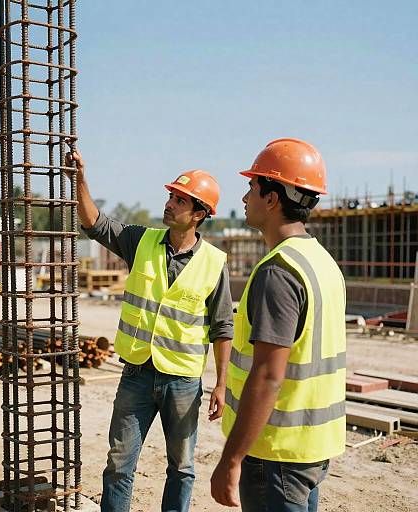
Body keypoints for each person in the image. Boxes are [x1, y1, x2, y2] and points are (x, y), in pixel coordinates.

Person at [65, 149, 233, 512]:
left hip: (183, 382)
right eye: (170, 196)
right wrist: (79, 179)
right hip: (137, 373)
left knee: (182, 468)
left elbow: (222, 327)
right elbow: (96, 223)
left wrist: (221, 383)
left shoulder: (213, 264)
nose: (169, 203)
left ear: (200, 214)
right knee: (119, 465)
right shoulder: (141, 241)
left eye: (179, 199)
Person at [210, 138, 346, 511]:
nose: (244, 198)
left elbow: (268, 375)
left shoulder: (278, 272)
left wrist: (231, 459)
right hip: (312, 449)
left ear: (272, 198)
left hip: (275, 454)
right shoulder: (321, 261)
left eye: (252, 187)